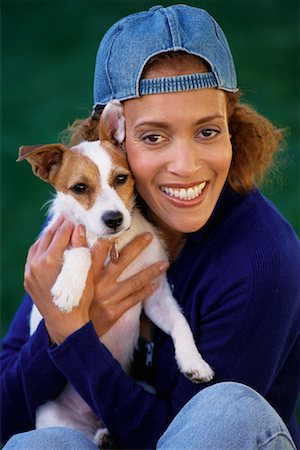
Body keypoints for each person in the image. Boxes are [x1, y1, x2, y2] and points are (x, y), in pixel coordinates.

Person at [1, 4, 299, 449]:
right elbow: (7, 415)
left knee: (227, 409)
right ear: (113, 137)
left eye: (208, 131)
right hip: (86, 427)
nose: (185, 165)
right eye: (154, 136)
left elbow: (195, 436)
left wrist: (77, 339)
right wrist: (60, 329)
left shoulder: (261, 259)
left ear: (232, 129)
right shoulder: (80, 228)